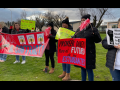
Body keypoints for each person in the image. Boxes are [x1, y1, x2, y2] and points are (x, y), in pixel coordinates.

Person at [72, 14, 102, 81]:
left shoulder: (93, 29)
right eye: (82, 20)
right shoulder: (79, 29)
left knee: (89, 69)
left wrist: (95, 35)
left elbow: (99, 40)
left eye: (84, 20)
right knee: (82, 69)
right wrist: (73, 37)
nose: (83, 21)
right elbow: (75, 36)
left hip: (89, 53)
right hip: (81, 53)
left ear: (88, 20)